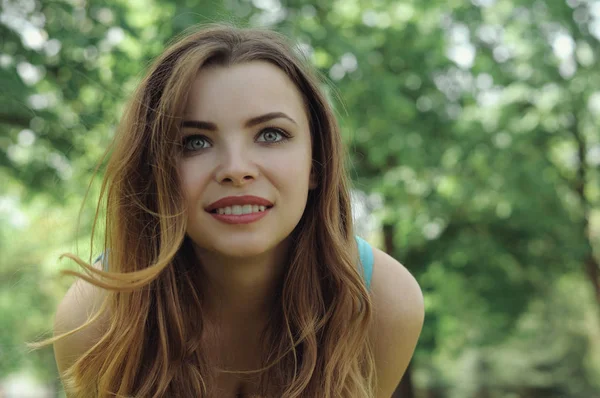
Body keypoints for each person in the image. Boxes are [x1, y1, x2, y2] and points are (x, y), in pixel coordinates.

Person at [49, 24, 424, 397]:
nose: (235, 168)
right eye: (195, 142)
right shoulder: (95, 321)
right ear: (156, 173)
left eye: (271, 134)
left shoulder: (383, 302)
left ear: (316, 162)